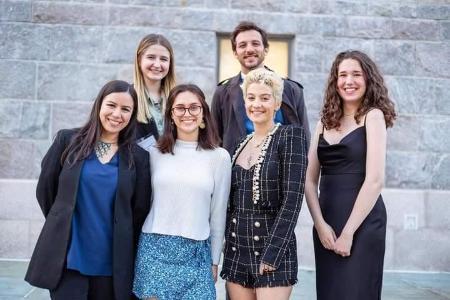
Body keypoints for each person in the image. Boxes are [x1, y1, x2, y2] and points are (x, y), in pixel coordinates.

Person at [24, 80, 151, 299]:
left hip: (112, 263)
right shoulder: (67, 141)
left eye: (125, 109)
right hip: (68, 259)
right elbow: (46, 189)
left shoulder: (138, 157)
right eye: (111, 105)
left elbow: (139, 209)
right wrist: (62, 221)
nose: (116, 114)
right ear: (99, 105)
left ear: (132, 115)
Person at [304, 50, 396, 300]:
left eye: (356, 74)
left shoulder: (373, 116)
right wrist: (320, 225)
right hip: (327, 224)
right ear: (335, 81)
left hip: (363, 225)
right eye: (342, 75)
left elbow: (375, 180)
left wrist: (348, 233)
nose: (349, 81)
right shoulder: (324, 121)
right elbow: (310, 181)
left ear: (368, 79)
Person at [132, 84, 231, 300]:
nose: (187, 114)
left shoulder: (220, 157)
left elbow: (218, 214)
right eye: (180, 108)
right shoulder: (154, 153)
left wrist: (214, 260)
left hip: (197, 253)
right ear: (171, 115)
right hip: (155, 250)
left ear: (204, 113)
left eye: (194, 107)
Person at [220, 69, 307, 300]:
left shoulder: (291, 137)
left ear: (277, 103)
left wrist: (272, 254)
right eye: (251, 97)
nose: (256, 104)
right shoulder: (239, 144)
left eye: (265, 98)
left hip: (272, 251)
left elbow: (292, 200)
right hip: (237, 251)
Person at [211, 21, 310, 155]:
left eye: (255, 43)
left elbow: (304, 139)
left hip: (284, 171)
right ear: (235, 52)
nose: (249, 49)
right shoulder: (222, 93)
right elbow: (214, 141)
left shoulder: (290, 89)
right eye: (242, 45)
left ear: (266, 49)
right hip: (235, 172)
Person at [133, 33, 176, 146]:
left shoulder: (177, 99)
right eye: (151, 57)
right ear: (139, 60)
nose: (157, 64)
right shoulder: (128, 97)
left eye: (163, 59)